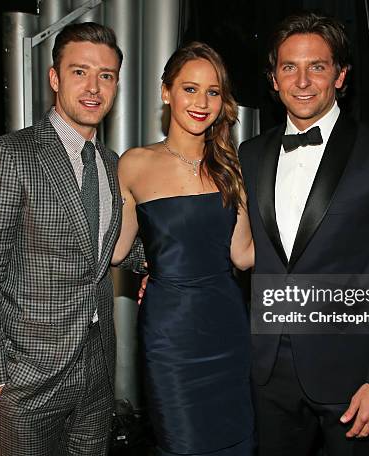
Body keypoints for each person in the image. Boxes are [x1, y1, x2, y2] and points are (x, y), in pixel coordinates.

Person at [238, 12, 369, 456]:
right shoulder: (251, 154)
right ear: (273, 78)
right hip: (267, 375)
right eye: (289, 67)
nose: (302, 81)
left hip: (355, 378)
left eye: (317, 67)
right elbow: (237, 249)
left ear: (340, 76)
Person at [0, 22, 142, 455]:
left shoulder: (112, 164)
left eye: (106, 75)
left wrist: (178, 261)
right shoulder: (8, 155)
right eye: (79, 72)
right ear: (54, 78)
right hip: (27, 379)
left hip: (96, 373)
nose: (93, 87)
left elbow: (108, 249)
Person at [112, 42, 255, 455]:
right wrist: (158, 266)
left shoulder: (231, 167)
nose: (202, 102)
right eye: (190, 89)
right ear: (166, 92)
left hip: (227, 330)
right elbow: (118, 250)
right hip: (170, 337)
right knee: (182, 443)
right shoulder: (134, 163)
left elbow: (243, 254)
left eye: (213, 92)